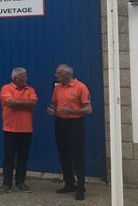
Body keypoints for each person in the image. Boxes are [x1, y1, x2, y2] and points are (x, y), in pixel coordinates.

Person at [46, 64, 92, 201]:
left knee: (77, 156)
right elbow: (54, 105)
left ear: (67, 74)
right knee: (64, 155)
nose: (56, 76)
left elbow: (89, 109)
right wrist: (51, 111)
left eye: (58, 73)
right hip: (60, 124)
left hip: (75, 124)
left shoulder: (81, 87)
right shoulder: (57, 87)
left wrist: (72, 111)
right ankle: (69, 184)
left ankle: (80, 188)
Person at [0, 67, 38, 194]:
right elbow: (12, 104)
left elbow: (34, 104)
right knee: (9, 158)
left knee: (23, 157)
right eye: (24, 76)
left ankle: (21, 182)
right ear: (16, 78)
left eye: (26, 76)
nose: (27, 78)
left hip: (26, 130)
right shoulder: (6, 88)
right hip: (10, 130)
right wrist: (26, 103)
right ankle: (6, 184)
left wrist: (17, 103)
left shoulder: (30, 89)